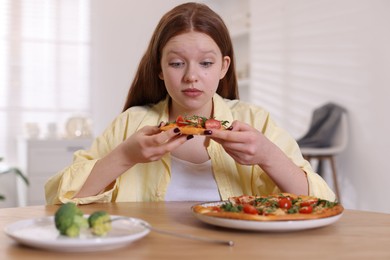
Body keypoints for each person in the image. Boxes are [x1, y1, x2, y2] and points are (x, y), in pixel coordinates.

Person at [45, 2, 336, 205]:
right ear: (159, 69)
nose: (191, 76)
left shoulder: (255, 121)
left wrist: (268, 155)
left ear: (223, 67)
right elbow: (57, 197)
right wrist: (126, 155)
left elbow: (323, 201)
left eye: (206, 63)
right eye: (176, 63)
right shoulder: (131, 124)